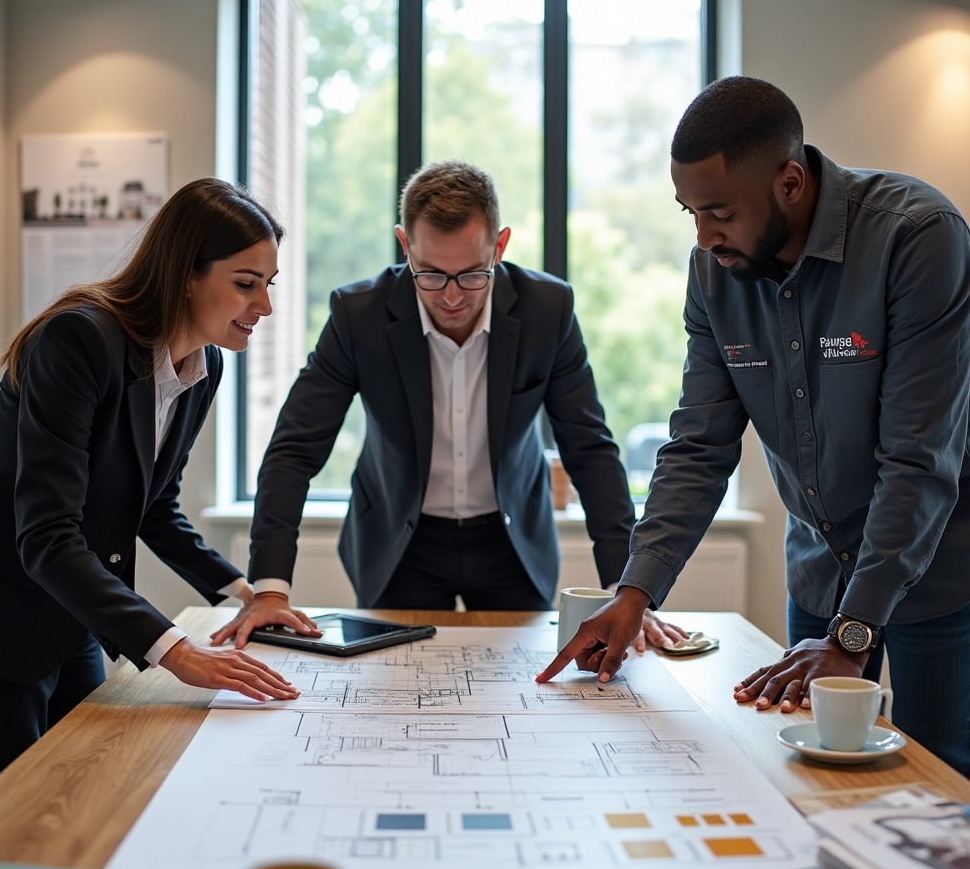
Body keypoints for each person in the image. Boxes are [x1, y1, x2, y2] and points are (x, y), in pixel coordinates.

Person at [538, 76, 970, 784]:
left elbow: (918, 458)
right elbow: (698, 446)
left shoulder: (917, 237)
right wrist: (635, 592)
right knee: (812, 773)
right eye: (690, 212)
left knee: (935, 779)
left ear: (790, 182)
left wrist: (852, 634)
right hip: (819, 565)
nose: (703, 237)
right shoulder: (713, 273)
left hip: (938, 566)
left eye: (720, 212)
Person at [213, 160, 685, 650]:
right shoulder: (359, 315)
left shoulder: (548, 310)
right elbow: (295, 450)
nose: (454, 296)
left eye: (473, 274)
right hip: (399, 544)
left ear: (499, 247)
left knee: (523, 682)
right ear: (405, 246)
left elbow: (590, 451)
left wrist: (628, 592)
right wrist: (269, 589)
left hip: (511, 543)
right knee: (395, 681)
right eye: (432, 275)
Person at [0, 177, 300, 803]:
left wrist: (248, 595)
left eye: (268, 285)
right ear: (185, 274)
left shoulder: (204, 364)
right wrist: (178, 652)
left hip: (71, 610)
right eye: (245, 284)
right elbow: (47, 535)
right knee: (0, 813)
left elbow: (155, 506)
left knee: (80, 788)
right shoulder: (78, 339)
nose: (264, 307)